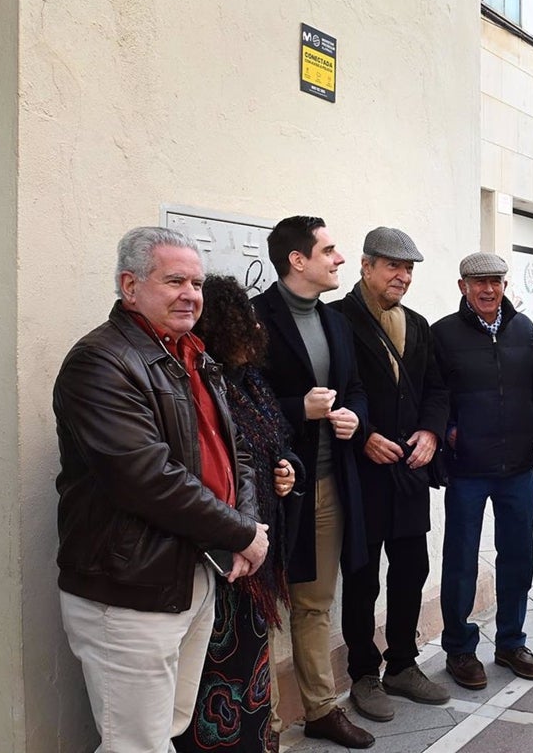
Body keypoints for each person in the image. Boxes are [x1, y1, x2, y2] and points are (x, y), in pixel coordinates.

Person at [54, 227, 270, 752]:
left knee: (168, 728)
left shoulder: (191, 353)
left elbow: (233, 449)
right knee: (136, 743)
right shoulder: (100, 361)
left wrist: (241, 528)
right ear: (130, 286)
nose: (191, 294)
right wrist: (243, 532)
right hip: (131, 586)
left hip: (190, 571)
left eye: (195, 282)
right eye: (175, 280)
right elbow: (146, 479)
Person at [250, 216, 374, 749]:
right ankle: (265, 726)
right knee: (262, 608)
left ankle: (322, 708)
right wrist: (296, 410)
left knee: (315, 603)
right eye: (329, 250)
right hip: (270, 493)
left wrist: (353, 418)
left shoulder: (336, 322)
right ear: (297, 260)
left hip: (327, 486)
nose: (339, 258)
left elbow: (355, 389)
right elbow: (235, 405)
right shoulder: (254, 320)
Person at [173, 275, 304, 753]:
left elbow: (276, 447)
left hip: (255, 553)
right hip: (223, 561)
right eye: (244, 318)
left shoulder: (252, 382)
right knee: (215, 677)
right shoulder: (207, 385)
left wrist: (291, 471)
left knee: (251, 671)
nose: (255, 324)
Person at [330, 227, 451, 721]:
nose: (402, 276)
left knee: (411, 570)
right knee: (361, 577)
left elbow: (437, 390)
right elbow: (329, 390)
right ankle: (364, 673)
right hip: (361, 473)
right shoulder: (335, 319)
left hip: (409, 472)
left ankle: (402, 663)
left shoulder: (418, 325)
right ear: (365, 266)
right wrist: (364, 436)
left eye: (409, 269)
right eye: (392, 266)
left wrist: (430, 433)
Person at [430, 252, 533, 691]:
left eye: (495, 281)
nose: (488, 289)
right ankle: (460, 650)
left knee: (518, 556)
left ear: (504, 284)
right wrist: (449, 434)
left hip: (518, 468)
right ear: (462, 285)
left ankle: (511, 642)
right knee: (461, 560)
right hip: (468, 470)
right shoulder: (442, 334)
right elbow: (434, 393)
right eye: (478, 281)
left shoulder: (524, 328)